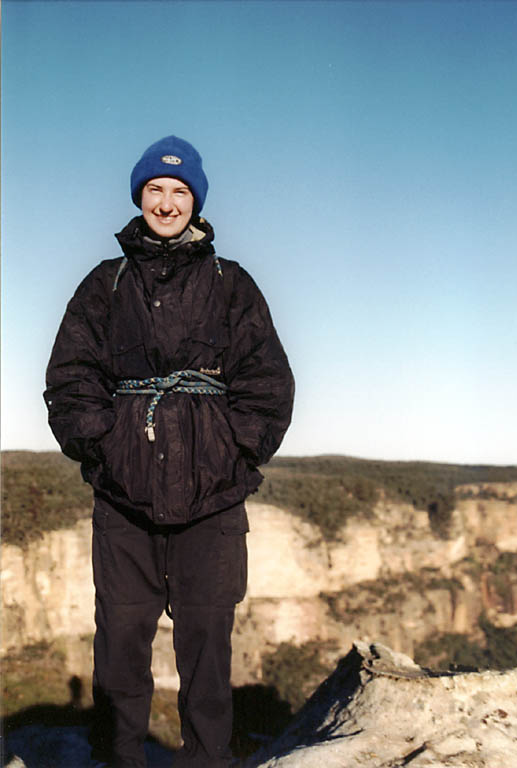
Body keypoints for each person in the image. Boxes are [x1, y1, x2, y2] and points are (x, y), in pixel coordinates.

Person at [44, 134, 295, 768]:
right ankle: (117, 761)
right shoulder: (106, 284)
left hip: (213, 501)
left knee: (207, 654)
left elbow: (267, 384)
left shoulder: (231, 285)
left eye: (179, 191)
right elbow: (71, 378)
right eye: (155, 189)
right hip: (123, 500)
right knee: (121, 646)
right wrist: (103, 452)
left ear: (196, 202)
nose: (166, 202)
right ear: (139, 196)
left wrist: (233, 455)